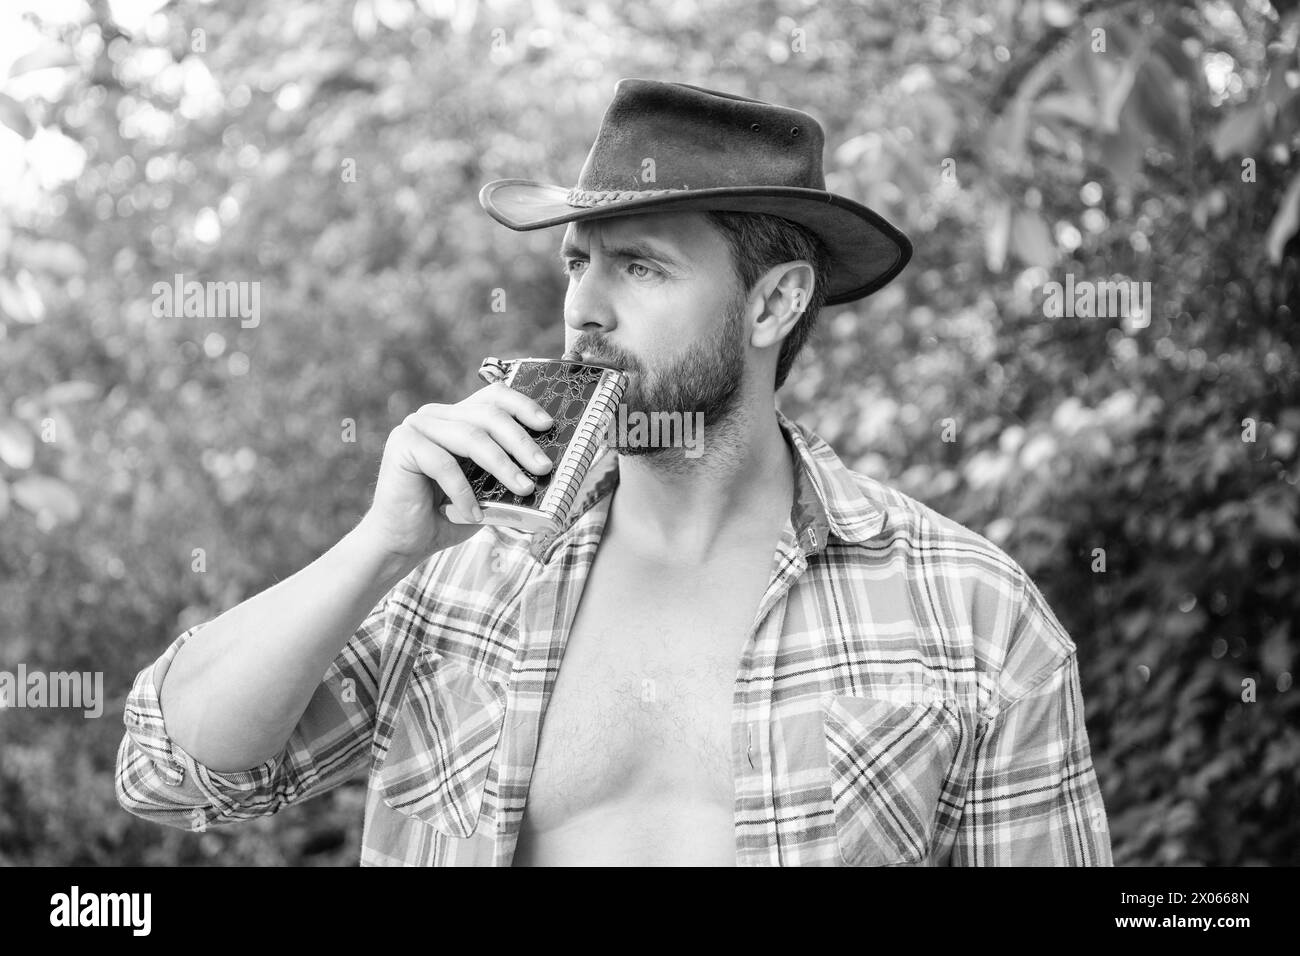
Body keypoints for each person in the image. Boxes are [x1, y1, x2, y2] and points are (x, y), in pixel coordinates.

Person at [115, 78, 1113, 866]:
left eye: (637, 265)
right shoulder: (458, 577)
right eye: (574, 263)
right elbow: (172, 771)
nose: (583, 308)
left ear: (772, 305)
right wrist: (380, 544)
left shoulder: (973, 615)